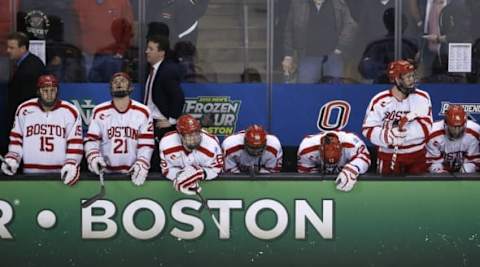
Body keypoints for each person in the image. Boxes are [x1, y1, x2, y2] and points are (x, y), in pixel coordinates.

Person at [1, 75, 82, 186]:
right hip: (29, 175)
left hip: (60, 176)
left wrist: (72, 163)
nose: (49, 94)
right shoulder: (24, 109)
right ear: (38, 91)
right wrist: (13, 158)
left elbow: (75, 143)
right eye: (45, 90)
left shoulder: (70, 111)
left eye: (53, 90)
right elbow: (16, 139)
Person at [362, 60, 432, 175]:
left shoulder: (422, 97)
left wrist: (402, 134)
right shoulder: (380, 100)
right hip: (388, 156)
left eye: (413, 75)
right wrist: (388, 136)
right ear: (396, 79)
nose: (412, 80)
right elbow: (368, 129)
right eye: (408, 77)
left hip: (417, 156)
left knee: (418, 192)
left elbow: (426, 127)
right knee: (388, 191)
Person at [84, 72, 154, 186]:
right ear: (110, 87)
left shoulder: (143, 111)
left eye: (123, 81)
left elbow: (146, 144)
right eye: (115, 82)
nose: (119, 83)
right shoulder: (99, 111)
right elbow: (92, 140)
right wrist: (93, 156)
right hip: (106, 174)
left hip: (133, 173)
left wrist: (142, 163)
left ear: (130, 87)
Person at [282, 0, 357, 83]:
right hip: (308, 56)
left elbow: (350, 25)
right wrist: (288, 55)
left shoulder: (338, 3)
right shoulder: (298, 3)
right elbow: (289, 30)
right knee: (306, 92)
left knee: (334, 93)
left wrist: (341, 46)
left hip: (333, 57)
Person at [159, 114, 223, 195]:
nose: (194, 139)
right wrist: (180, 176)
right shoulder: (166, 143)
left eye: (196, 134)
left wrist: (198, 174)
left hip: (208, 186)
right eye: (189, 135)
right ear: (180, 135)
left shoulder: (211, 144)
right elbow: (167, 170)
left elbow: (216, 170)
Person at [3, 32, 45, 154]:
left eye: (12, 48)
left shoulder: (30, 68)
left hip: (26, 122)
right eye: (8, 47)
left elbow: (26, 100)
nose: (8, 50)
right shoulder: (28, 63)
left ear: (22, 48)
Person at [297, 131, 370, 192]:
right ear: (319, 151)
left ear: (342, 149)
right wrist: (318, 184)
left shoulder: (352, 143)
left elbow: (366, 157)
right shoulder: (306, 148)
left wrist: (353, 168)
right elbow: (306, 176)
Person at [144, 34, 185, 140]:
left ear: (161, 53)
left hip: (160, 125)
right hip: (150, 122)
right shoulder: (153, 69)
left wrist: (171, 121)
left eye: (151, 49)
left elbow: (178, 97)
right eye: (147, 48)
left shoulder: (167, 71)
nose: (146, 51)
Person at [426, 105, 480, 173]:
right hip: (441, 167)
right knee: (438, 172)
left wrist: (465, 171)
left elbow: (473, 160)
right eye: (453, 127)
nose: (457, 131)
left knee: (467, 169)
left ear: (465, 123)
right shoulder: (433, 133)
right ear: (446, 123)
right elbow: (433, 163)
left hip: (464, 166)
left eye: (459, 127)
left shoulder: (474, 131)